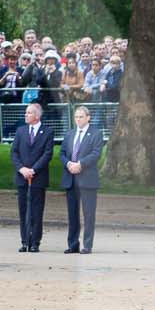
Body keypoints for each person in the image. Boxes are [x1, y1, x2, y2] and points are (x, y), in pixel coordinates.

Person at [9, 100, 54, 253]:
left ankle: (35, 241)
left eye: (29, 113)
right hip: (22, 177)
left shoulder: (47, 132)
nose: (26, 115)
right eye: (26, 112)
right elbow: (14, 152)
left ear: (37, 116)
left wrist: (33, 170)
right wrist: (21, 168)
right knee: (23, 210)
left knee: (36, 210)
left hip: (38, 178)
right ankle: (24, 241)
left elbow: (47, 154)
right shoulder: (21, 131)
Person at [59, 104, 102, 254]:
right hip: (71, 179)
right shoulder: (70, 134)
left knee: (88, 214)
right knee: (72, 214)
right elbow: (62, 153)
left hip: (87, 179)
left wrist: (80, 164)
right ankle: (72, 244)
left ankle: (87, 245)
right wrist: (69, 164)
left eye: (81, 117)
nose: (78, 119)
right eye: (76, 117)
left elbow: (96, 153)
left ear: (88, 117)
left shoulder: (96, 133)